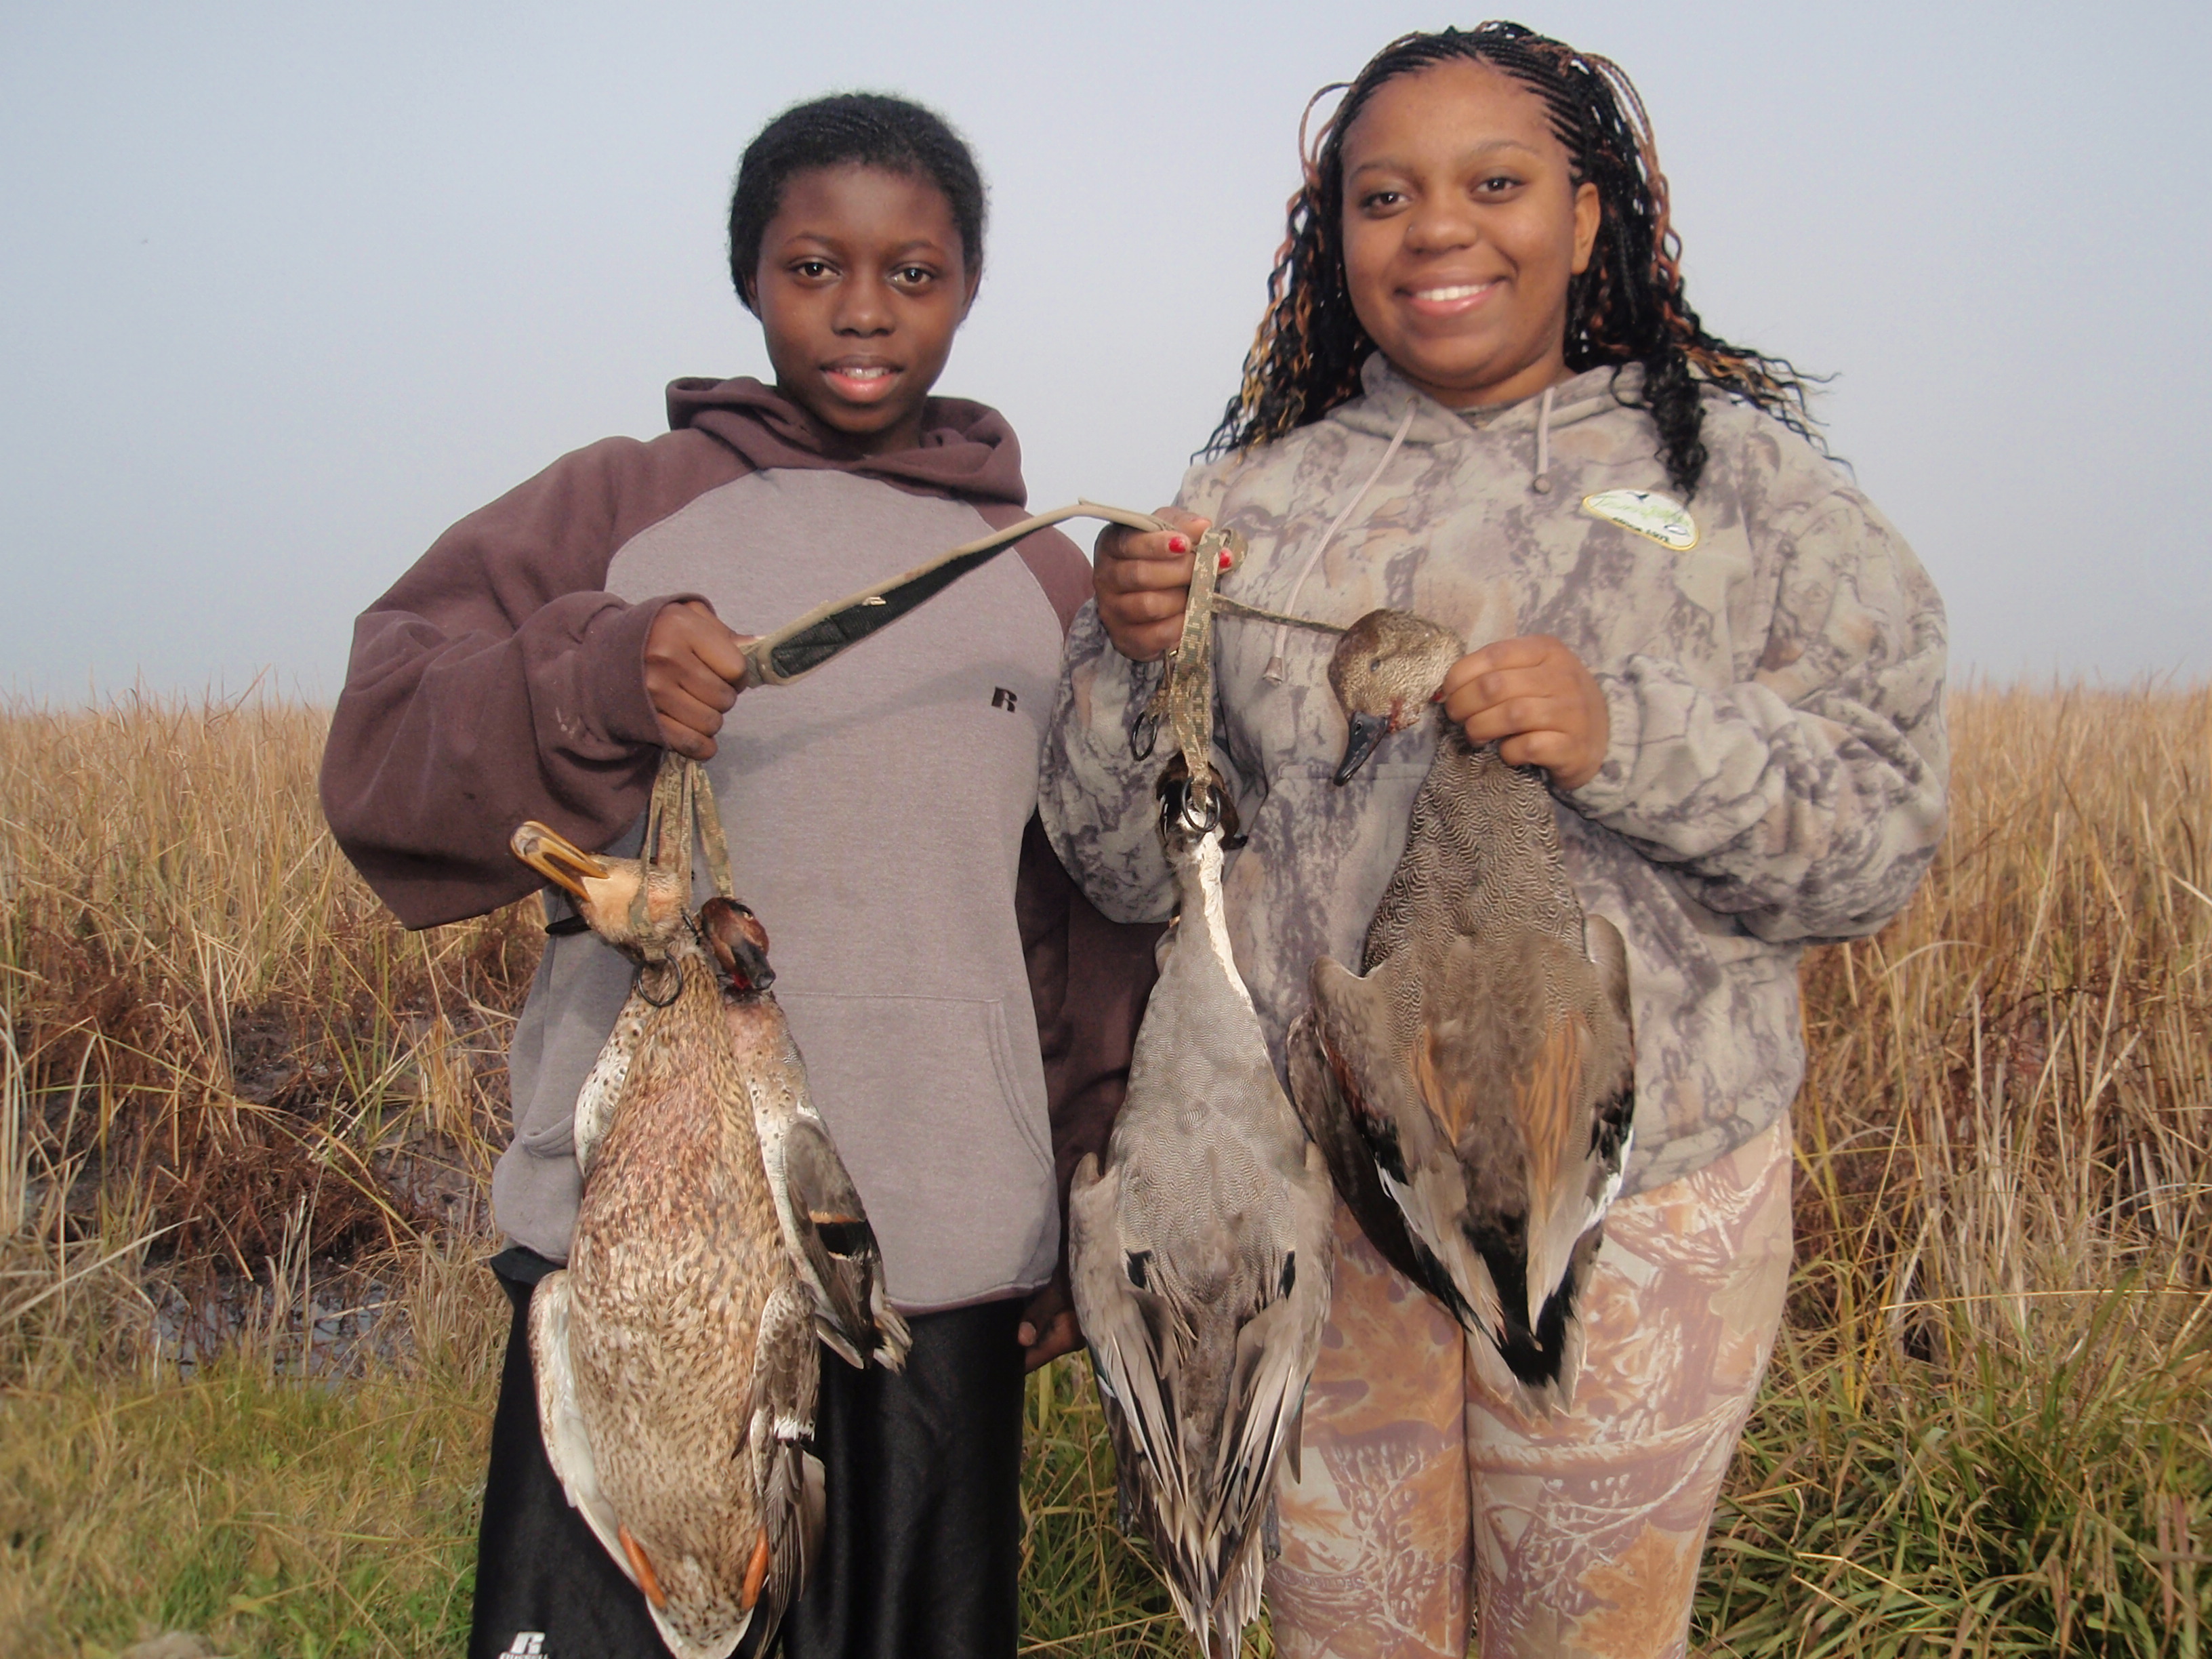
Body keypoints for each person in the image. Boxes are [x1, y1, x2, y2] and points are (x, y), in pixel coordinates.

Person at [1041, 23, 1946, 1659]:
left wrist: (1632, 737)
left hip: (1636, 1206)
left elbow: (1876, 850)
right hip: (1315, 1212)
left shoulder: (1749, 496)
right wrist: (1121, 652)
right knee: (1342, 1636)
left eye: (1497, 182)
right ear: (1339, 242)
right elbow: (1119, 870)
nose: (1436, 227)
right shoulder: (1247, 501)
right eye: (1384, 196)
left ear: (1590, 218)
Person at [321, 92, 1154, 1659]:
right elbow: (376, 751)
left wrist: (1079, 1188)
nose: (861, 310)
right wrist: (599, 676)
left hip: (939, 1251)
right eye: (812, 266)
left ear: (969, 285)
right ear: (749, 278)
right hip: (647, 1257)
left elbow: (1081, 925)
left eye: (913, 273)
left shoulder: (1040, 572)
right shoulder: (615, 509)